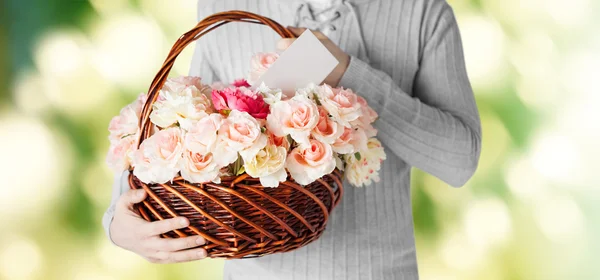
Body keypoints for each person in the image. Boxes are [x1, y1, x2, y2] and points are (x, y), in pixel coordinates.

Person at [103, 0, 482, 279]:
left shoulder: (422, 11)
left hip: (378, 272)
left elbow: (459, 161)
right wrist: (117, 224)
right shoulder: (225, 8)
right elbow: (183, 126)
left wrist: (350, 74)